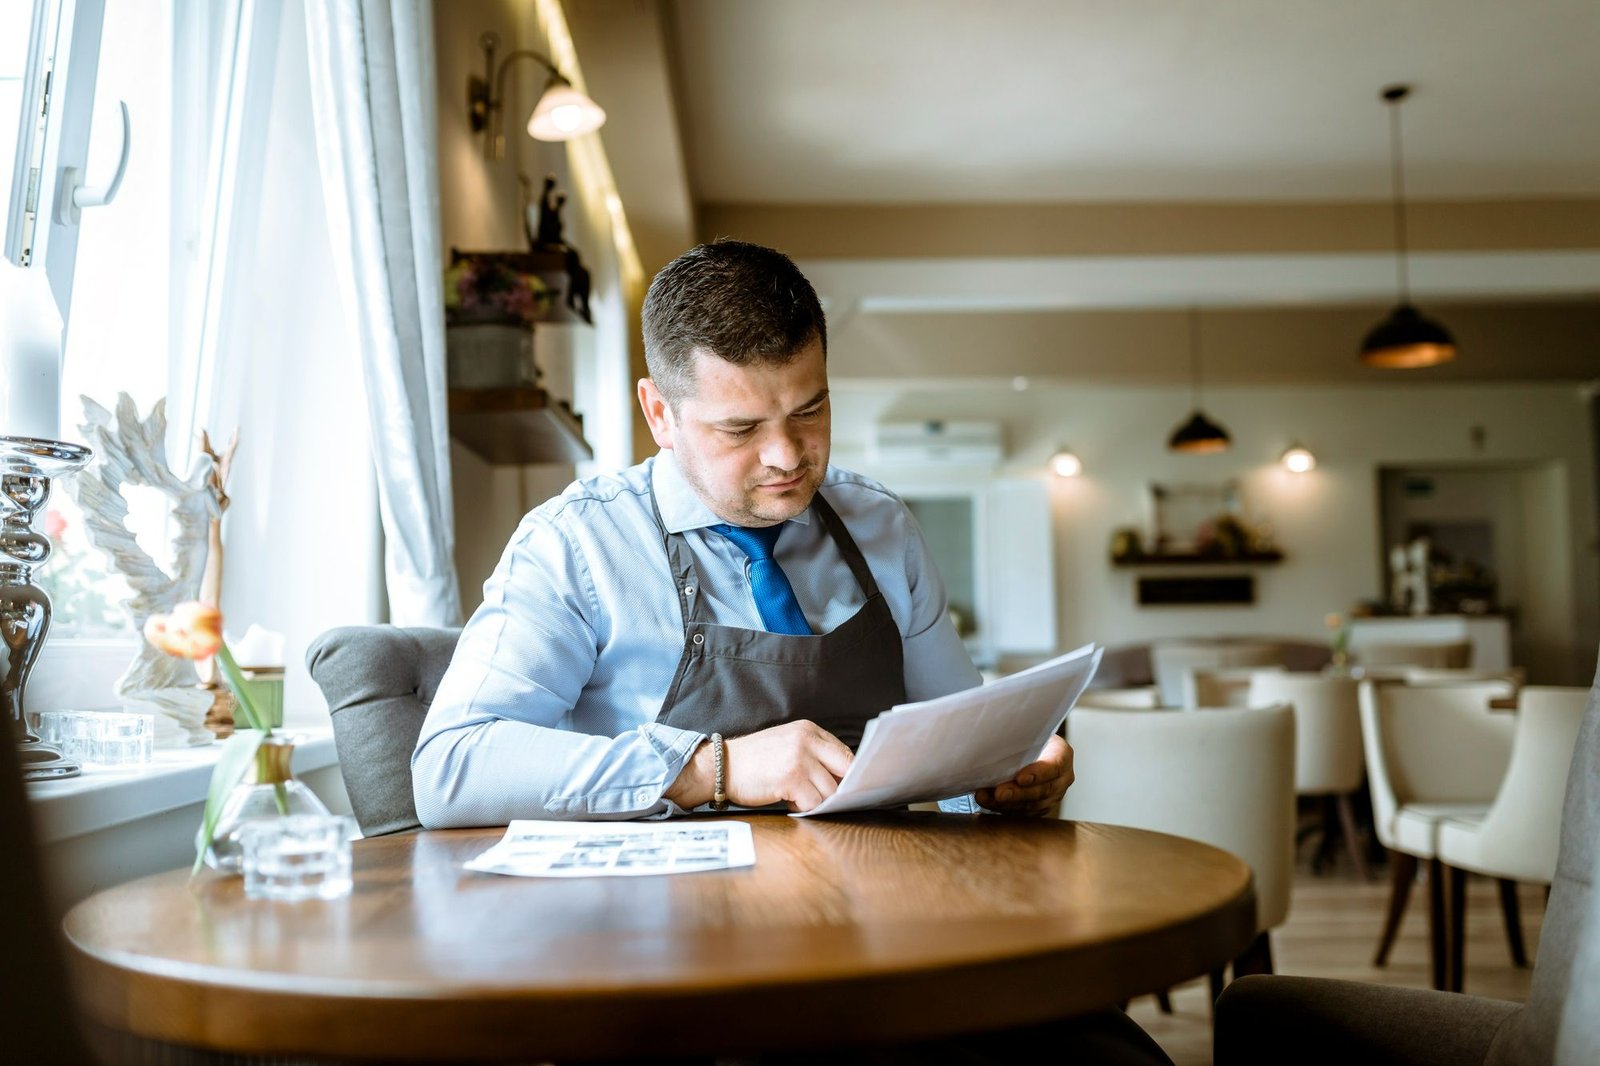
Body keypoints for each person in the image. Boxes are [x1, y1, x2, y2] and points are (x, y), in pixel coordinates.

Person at [412, 238, 1170, 1063]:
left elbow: (958, 738)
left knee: (1109, 1053)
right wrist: (716, 768)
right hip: (669, 972)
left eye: (809, 410)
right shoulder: (577, 545)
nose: (786, 456)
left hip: (893, 949)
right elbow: (451, 765)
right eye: (740, 427)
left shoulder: (882, 526)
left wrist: (1006, 778)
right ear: (659, 413)